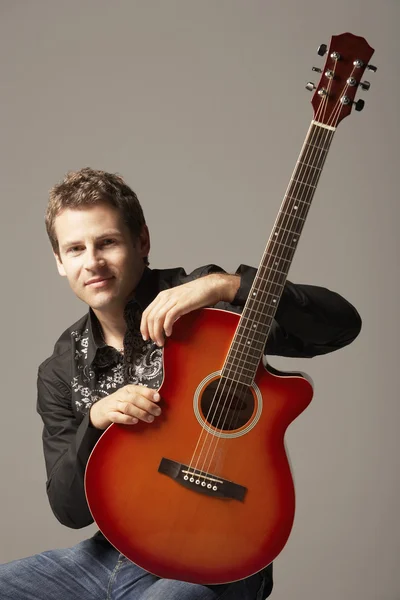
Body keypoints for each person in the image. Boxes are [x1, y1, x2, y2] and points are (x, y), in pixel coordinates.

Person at [0, 167, 362, 600]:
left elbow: (339, 325)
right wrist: (94, 422)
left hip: (220, 557)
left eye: (107, 242)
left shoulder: (204, 305)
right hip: (110, 553)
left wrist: (227, 285)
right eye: (75, 248)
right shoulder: (59, 370)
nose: (92, 262)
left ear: (142, 242)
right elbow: (69, 511)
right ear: (60, 262)